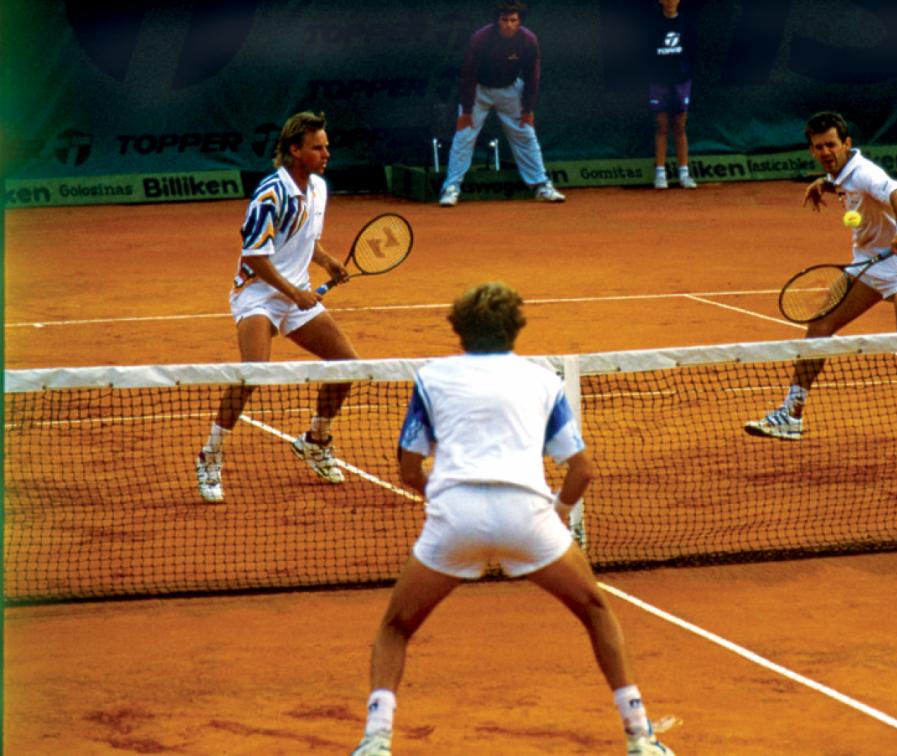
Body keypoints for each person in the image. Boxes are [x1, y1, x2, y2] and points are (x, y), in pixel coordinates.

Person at [350, 282, 673, 756]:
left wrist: (441, 499)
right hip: (528, 518)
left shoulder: (431, 379)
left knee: (396, 627)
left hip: (454, 520)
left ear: (459, 329)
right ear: (515, 329)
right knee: (595, 611)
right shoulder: (543, 381)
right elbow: (581, 470)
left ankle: (375, 742)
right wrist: (557, 516)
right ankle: (640, 737)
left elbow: (407, 468)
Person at [745, 111, 897, 470]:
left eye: (832, 144)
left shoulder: (865, 172)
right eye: (819, 147)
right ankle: (791, 414)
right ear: (812, 150)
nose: (827, 151)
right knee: (818, 328)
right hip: (868, 266)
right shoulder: (843, 174)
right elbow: (845, 183)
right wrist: (824, 183)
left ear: (847, 144)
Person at [195, 111, 358, 503]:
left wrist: (328, 261)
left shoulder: (318, 189)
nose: (326, 154)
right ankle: (209, 456)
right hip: (257, 293)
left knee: (348, 365)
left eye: (327, 146)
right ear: (293, 150)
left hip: (296, 292)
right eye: (317, 147)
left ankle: (315, 440)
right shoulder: (270, 194)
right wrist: (294, 293)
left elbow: (304, 239)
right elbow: (255, 257)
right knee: (253, 373)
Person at [438, 1, 566, 207]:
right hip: (479, 90)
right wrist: (467, 111)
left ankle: (541, 186)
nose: (508, 24)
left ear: (519, 22)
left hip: (510, 90)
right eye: (504, 20)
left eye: (513, 20)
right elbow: (468, 74)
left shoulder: (528, 41)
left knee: (526, 134)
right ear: (497, 21)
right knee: (464, 136)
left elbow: (533, 76)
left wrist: (528, 109)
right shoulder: (481, 38)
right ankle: (451, 188)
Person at [649, 0, 697, 190]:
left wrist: (685, 72)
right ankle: (660, 174)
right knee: (661, 126)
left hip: (681, 82)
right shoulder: (653, 24)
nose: (670, 2)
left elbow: (692, 51)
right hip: (659, 82)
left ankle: (684, 173)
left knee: (680, 126)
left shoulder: (686, 23)